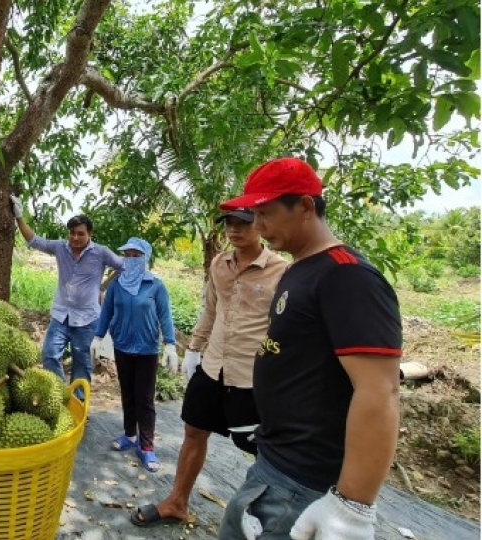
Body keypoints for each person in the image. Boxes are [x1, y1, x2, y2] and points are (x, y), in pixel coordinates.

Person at [215, 157, 402, 540]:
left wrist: (351, 506)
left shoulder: (346, 276)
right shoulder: (299, 269)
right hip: (275, 463)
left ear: (304, 206)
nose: (259, 226)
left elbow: (380, 391)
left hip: (304, 483)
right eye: (255, 214)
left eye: (265, 213)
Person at [130, 209, 287, 525]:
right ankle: (177, 502)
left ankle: (269, 520)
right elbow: (210, 312)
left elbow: (286, 328)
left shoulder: (282, 272)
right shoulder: (219, 264)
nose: (234, 229)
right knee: (193, 431)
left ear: (260, 225)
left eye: (242, 223)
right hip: (213, 367)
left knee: (261, 449)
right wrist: (193, 350)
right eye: (229, 223)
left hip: (251, 377)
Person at [11, 195, 124, 398]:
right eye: (71, 233)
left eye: (80, 234)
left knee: (82, 363)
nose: (75, 238)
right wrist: (19, 215)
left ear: (90, 234)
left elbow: (123, 266)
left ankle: (79, 403)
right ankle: (59, 397)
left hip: (88, 318)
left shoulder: (101, 252)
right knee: (50, 355)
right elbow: (34, 240)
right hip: (61, 315)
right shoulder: (60, 247)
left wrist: (104, 285)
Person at [92, 237, 179, 473]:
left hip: (147, 349)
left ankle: (147, 446)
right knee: (128, 394)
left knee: (145, 398)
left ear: (145, 258)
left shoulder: (155, 285)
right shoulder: (117, 285)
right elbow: (107, 312)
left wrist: (170, 344)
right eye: (127, 255)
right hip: (122, 346)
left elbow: (165, 316)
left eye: (136, 256)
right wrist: (98, 337)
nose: (130, 260)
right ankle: (130, 434)